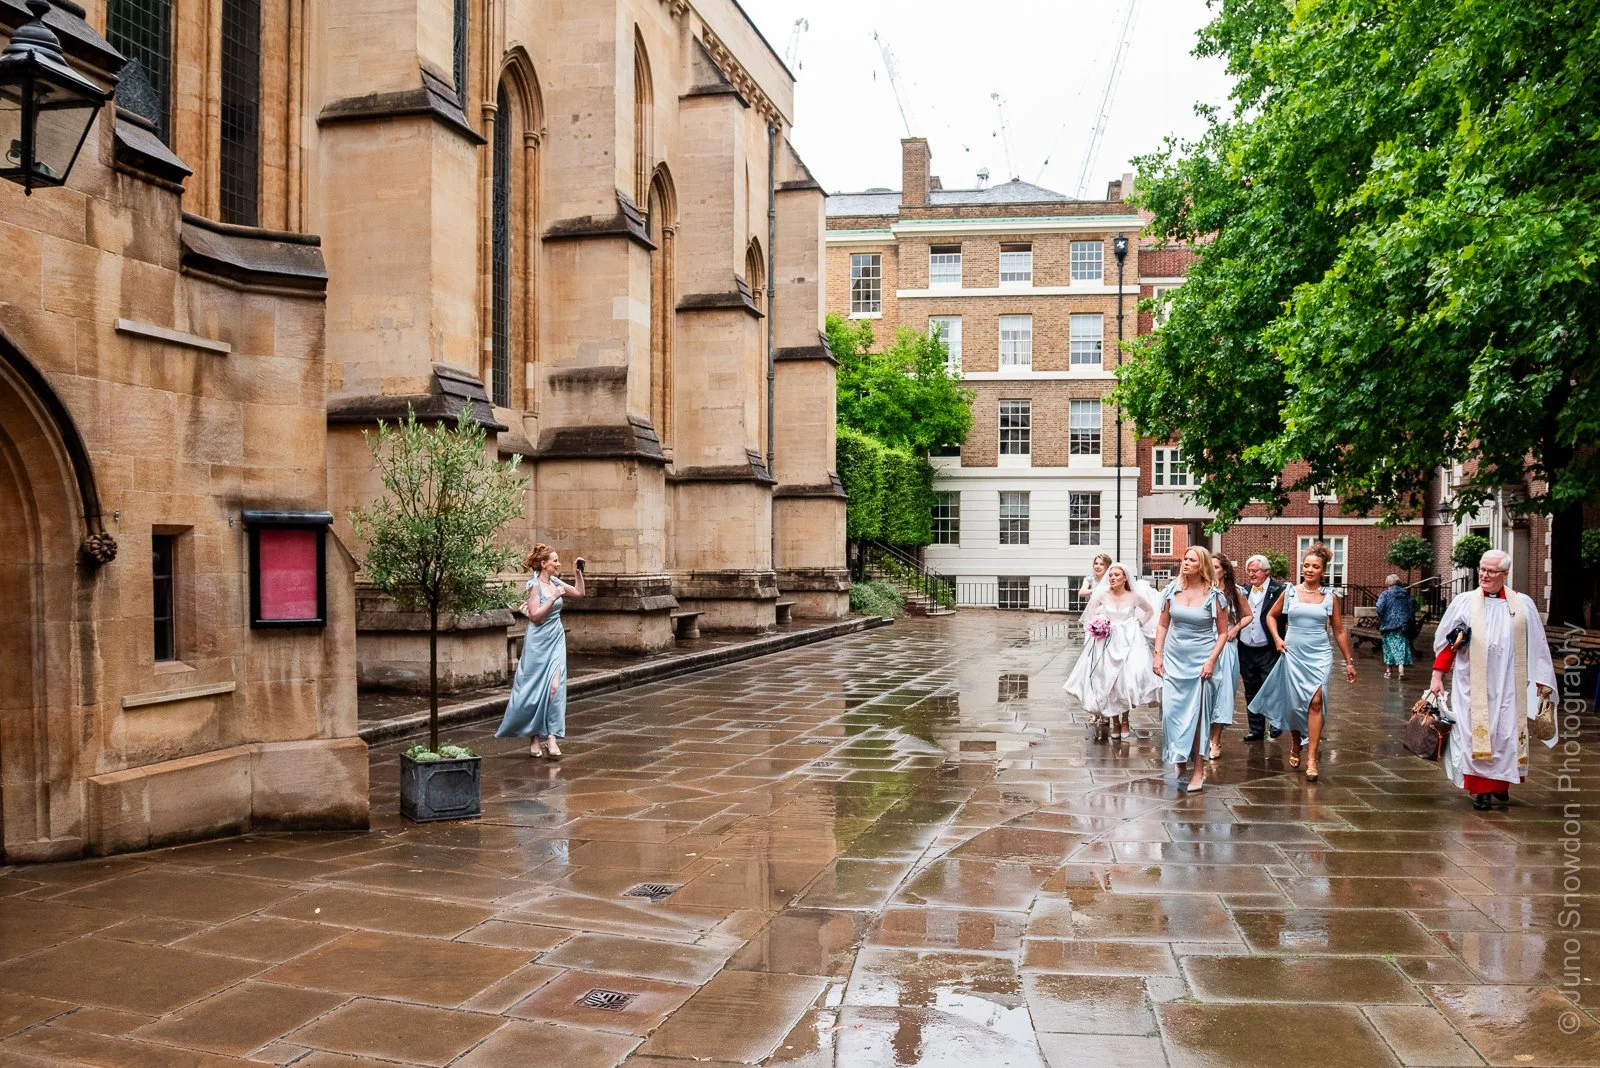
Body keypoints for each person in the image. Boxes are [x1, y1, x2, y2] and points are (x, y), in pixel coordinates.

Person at [1429, 549, 1558, 810]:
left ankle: (1500, 784)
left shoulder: (1523, 605)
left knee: (1506, 736)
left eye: (1491, 571)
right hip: (1472, 683)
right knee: (1475, 735)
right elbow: (1448, 643)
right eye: (1482, 569)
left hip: (1510, 683)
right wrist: (1437, 675)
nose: (1484, 575)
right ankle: (1482, 790)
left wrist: (1543, 680)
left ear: (1505, 574)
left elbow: (1538, 645)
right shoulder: (1465, 602)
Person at [1248, 543, 1356, 782]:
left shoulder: (1330, 597)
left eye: (1315, 567)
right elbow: (1270, 616)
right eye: (1306, 565)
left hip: (1319, 655)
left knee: (1316, 701)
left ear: (1323, 571)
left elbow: (1338, 631)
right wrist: (1277, 639)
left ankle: (1312, 757)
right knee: (1297, 703)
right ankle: (1296, 743)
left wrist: (1348, 661)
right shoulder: (1291, 592)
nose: (1309, 570)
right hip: (1293, 652)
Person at [496, 544, 585, 758]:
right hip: (537, 642)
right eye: (554, 561)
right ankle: (535, 736)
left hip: (556, 638)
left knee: (555, 686)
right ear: (544, 564)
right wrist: (553, 597)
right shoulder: (534, 586)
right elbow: (535, 616)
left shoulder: (554, 581)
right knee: (535, 689)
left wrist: (578, 573)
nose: (558, 563)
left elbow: (580, 593)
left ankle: (552, 736)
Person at [1153, 546, 1230, 792]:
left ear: (1202, 565)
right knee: (1171, 712)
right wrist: (1158, 654)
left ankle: (1198, 769)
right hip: (1175, 659)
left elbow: (1223, 633)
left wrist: (1211, 661)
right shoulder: (1170, 591)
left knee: (1198, 717)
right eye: (1185, 559)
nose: (1185, 563)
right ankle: (1179, 753)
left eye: (1192, 560)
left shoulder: (1214, 596)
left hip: (1201, 660)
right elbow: (1163, 625)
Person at [1064, 561, 1160, 742]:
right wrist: (1097, 625)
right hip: (1107, 643)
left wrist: (1137, 624)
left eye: (1116, 575)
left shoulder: (1134, 596)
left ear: (1125, 578)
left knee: (1125, 681)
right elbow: (1090, 617)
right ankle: (1114, 721)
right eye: (1111, 575)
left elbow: (1149, 611)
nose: (1112, 578)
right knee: (1110, 681)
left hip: (1129, 642)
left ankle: (1125, 720)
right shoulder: (1102, 595)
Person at [1205, 554, 1253, 761]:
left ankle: (1215, 739)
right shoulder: (1203, 591)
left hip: (1227, 647)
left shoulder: (1235, 592)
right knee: (1205, 692)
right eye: (1210, 566)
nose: (1213, 570)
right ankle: (1202, 736)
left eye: (1216, 567)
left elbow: (1248, 615)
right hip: (1205, 645)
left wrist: (1236, 629)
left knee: (1223, 693)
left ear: (1224, 570)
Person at [1237, 554, 1287, 742]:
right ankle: (1256, 729)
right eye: (1249, 571)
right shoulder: (1244, 591)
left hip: (1268, 647)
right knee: (1251, 689)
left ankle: (1275, 723)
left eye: (1255, 570)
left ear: (1266, 571)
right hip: (1246, 646)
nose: (1251, 574)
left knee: (1271, 687)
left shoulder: (1279, 590)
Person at [1375, 575, 1416, 680]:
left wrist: (1382, 617)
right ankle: (1401, 670)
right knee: (1401, 646)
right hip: (1402, 626)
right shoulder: (1406, 595)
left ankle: (1389, 671)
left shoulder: (1385, 594)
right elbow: (1412, 609)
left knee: (1388, 647)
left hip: (1388, 626)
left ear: (1388, 584)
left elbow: (1379, 608)